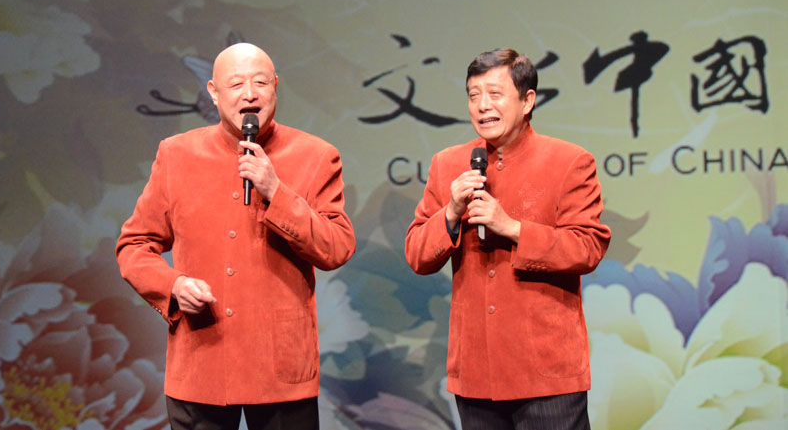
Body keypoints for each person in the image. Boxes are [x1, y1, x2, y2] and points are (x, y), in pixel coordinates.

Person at [116, 43, 355, 430]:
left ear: (276, 86)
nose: (250, 93)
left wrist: (276, 191)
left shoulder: (316, 155)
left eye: (260, 82)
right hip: (201, 366)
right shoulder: (177, 155)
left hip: (280, 372)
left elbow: (337, 247)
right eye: (237, 84)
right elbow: (134, 245)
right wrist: (172, 285)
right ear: (213, 92)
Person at [405, 48, 611, 430]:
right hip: (476, 372)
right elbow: (418, 255)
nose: (483, 106)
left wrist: (512, 228)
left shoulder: (569, 161)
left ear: (527, 99)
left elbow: (588, 247)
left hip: (546, 371)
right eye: (473, 95)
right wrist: (450, 212)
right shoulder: (448, 164)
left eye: (495, 94)